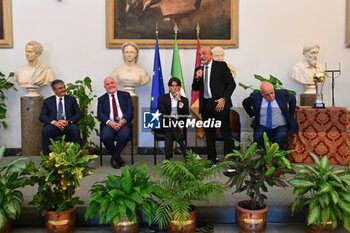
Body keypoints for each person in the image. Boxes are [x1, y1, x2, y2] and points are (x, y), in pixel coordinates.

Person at [192, 46, 236, 164]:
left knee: (225, 132)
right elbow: (195, 88)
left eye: (204, 54)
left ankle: (230, 160)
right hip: (206, 105)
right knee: (209, 133)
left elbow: (231, 84)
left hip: (220, 104)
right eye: (200, 54)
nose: (202, 56)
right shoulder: (198, 69)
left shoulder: (221, 66)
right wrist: (197, 78)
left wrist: (224, 99)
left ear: (211, 54)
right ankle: (211, 159)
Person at [242, 82, 299, 150]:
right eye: (267, 95)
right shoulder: (255, 97)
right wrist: (252, 115)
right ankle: (261, 157)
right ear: (262, 94)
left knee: (281, 135)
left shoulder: (282, 94)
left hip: (280, 125)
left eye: (272, 93)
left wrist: (290, 114)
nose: (271, 96)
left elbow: (292, 98)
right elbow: (245, 103)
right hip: (262, 125)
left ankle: (279, 157)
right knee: (258, 135)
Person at [97, 77, 134, 169]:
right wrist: (110, 122)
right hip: (109, 124)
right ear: (105, 87)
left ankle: (114, 157)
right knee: (105, 136)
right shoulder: (101, 99)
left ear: (116, 84)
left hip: (123, 122)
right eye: (108, 84)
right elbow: (100, 114)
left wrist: (122, 121)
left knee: (125, 135)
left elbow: (130, 110)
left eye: (112, 83)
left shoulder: (125, 95)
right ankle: (117, 156)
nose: (110, 85)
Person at [39, 79, 82, 155]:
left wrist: (68, 121)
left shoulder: (72, 99)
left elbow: (79, 114)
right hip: (54, 126)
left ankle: (77, 157)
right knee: (46, 131)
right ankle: (48, 159)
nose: (64, 89)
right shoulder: (47, 101)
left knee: (75, 129)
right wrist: (54, 122)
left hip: (68, 125)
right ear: (54, 90)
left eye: (64, 87)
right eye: (60, 88)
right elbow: (42, 116)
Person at [158, 77, 189, 160]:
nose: (175, 88)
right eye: (172, 86)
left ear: (180, 87)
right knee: (170, 125)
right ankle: (184, 151)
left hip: (177, 126)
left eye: (177, 85)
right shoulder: (162, 98)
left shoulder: (184, 100)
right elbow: (163, 114)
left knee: (169, 132)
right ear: (169, 87)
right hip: (165, 123)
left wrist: (179, 100)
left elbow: (186, 114)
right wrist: (176, 122)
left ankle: (168, 159)